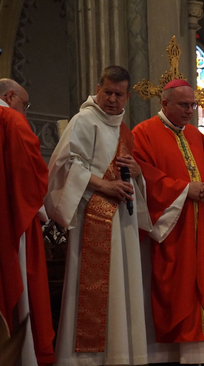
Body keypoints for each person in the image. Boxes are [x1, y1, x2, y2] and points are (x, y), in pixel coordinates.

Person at [45, 66, 152, 365]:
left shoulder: (123, 129)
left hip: (123, 219)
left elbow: (128, 172)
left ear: (128, 97)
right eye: (107, 92)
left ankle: (120, 354)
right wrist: (104, 184)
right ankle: (84, 359)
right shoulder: (85, 120)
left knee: (123, 283)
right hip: (94, 214)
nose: (112, 100)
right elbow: (65, 165)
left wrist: (138, 174)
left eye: (119, 94)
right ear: (98, 88)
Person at [132, 79, 204, 364]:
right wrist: (185, 189)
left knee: (200, 289)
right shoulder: (144, 133)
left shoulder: (196, 136)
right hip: (170, 233)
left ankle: (195, 358)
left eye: (193, 105)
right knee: (172, 291)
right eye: (184, 105)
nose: (190, 111)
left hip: (197, 233)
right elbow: (144, 177)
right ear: (164, 104)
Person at [0, 79, 55, 365]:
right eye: (25, 104)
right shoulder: (10, 119)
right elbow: (34, 175)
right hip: (9, 224)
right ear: (10, 96)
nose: (25, 110)